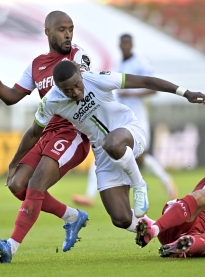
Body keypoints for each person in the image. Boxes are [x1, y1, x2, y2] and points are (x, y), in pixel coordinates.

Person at [10, 60, 205, 254]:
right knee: (120, 218)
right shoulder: (51, 101)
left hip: (128, 132)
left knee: (112, 143)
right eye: (68, 91)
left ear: (81, 75)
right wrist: (14, 163)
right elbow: (34, 133)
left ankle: (139, 185)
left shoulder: (98, 79)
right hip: (103, 154)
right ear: (58, 88)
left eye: (77, 85)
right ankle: (165, 232)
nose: (76, 93)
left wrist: (185, 93)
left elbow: (146, 82)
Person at [0, 11, 93, 263]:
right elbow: (11, 97)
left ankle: (11, 246)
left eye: (71, 28)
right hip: (46, 133)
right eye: (62, 29)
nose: (68, 34)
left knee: (37, 182)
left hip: (72, 133)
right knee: (18, 185)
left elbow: (86, 86)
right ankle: (72, 216)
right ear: (48, 32)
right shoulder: (36, 65)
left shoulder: (78, 56)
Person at [72, 33, 177, 207]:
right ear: (119, 45)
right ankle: (90, 195)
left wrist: (131, 93)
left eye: (128, 43)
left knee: (141, 158)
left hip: (137, 117)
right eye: (123, 43)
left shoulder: (140, 62)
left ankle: (166, 180)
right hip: (118, 118)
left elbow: (152, 89)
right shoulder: (118, 63)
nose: (125, 46)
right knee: (103, 149)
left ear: (132, 45)